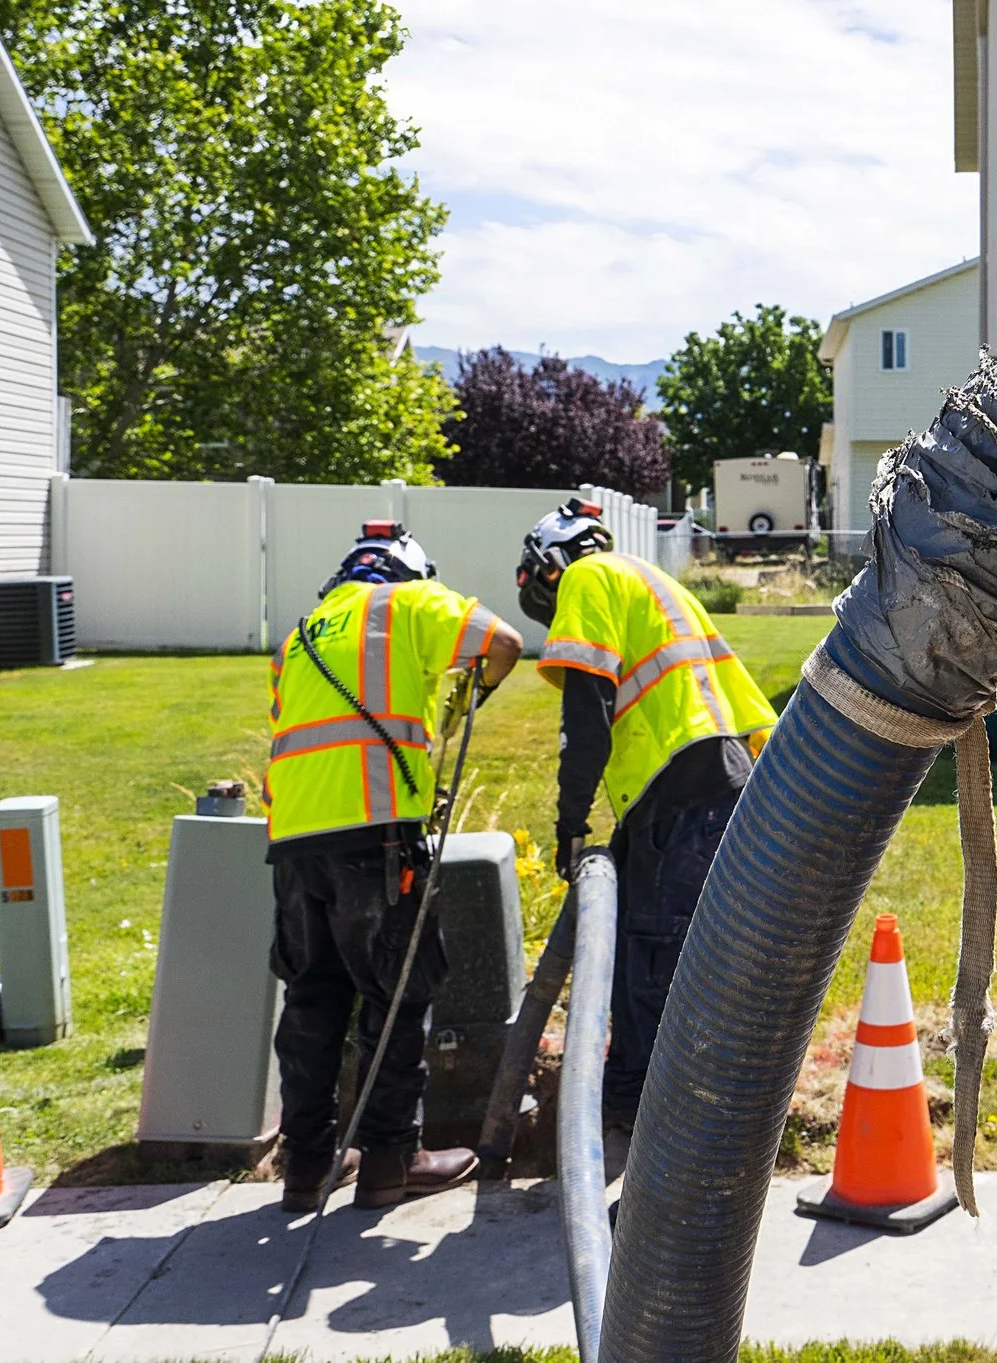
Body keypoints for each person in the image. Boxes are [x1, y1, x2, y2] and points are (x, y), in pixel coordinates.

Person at [264, 520, 523, 1212]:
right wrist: (469, 697)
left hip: (292, 843)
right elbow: (503, 644)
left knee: (312, 1001)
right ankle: (390, 1159)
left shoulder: (301, 634)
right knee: (396, 991)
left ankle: (308, 1164)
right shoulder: (409, 602)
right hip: (373, 838)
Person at [515, 498, 777, 1141]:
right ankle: (649, 1104)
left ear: (549, 565)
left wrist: (570, 823)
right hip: (720, 782)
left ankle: (653, 1125)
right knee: (671, 954)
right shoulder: (657, 583)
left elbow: (588, 711)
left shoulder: (587, 577)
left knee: (656, 962)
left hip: (680, 795)